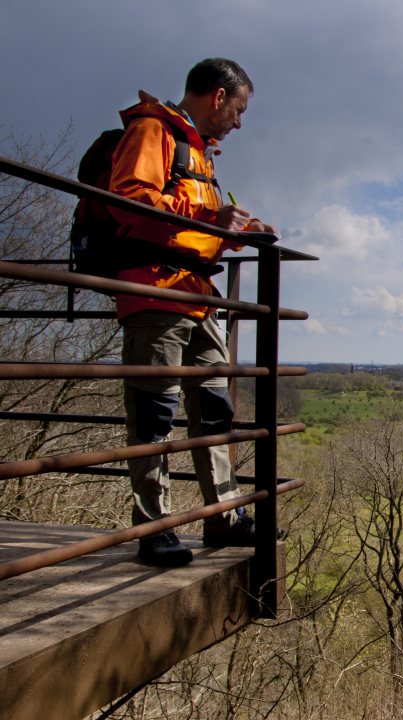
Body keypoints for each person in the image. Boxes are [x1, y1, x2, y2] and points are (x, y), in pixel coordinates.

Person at [108, 58, 277, 567]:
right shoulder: (152, 130)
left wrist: (235, 232)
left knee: (215, 409)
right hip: (155, 293)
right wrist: (208, 215)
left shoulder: (199, 154)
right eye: (240, 110)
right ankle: (154, 528)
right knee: (155, 415)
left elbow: (190, 228)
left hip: (197, 296)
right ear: (219, 97)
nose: (239, 124)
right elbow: (128, 201)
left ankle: (223, 519)